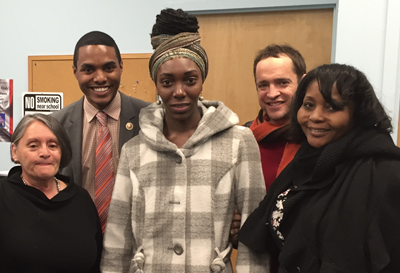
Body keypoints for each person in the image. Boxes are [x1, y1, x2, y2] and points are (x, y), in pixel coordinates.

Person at [101, 8, 268, 273]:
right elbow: (117, 242)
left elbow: (253, 236)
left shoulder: (239, 141)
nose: (179, 92)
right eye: (167, 82)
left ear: (202, 80)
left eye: (190, 80)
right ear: (156, 84)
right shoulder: (134, 150)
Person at [239, 63, 400, 272]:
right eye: (308, 105)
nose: (315, 116)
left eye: (332, 107)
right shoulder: (307, 160)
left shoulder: (386, 173)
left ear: (358, 113)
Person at [52, 31, 149, 232]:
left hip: (137, 245)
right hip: (77, 241)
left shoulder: (150, 118)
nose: (100, 78)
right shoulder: (55, 125)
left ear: (121, 67)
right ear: (75, 72)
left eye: (109, 68)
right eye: (88, 69)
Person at [0, 114, 102, 272]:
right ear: (15, 151)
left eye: (53, 145)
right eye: (33, 146)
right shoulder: (3, 195)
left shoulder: (80, 199)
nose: (45, 153)